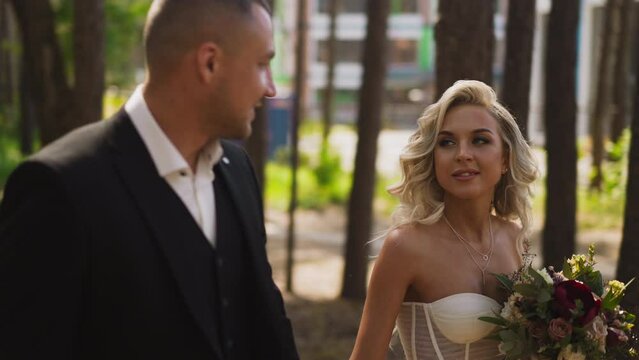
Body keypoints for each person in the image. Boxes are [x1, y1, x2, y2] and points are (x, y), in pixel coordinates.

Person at [0, 0, 298, 359]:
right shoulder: (59, 188)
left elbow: (267, 330)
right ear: (209, 63)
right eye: (262, 64)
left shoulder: (237, 171)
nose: (270, 88)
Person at [349, 80, 539, 360]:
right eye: (447, 142)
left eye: (480, 140)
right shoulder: (406, 246)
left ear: (505, 160)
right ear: (434, 158)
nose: (462, 154)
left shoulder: (514, 239)